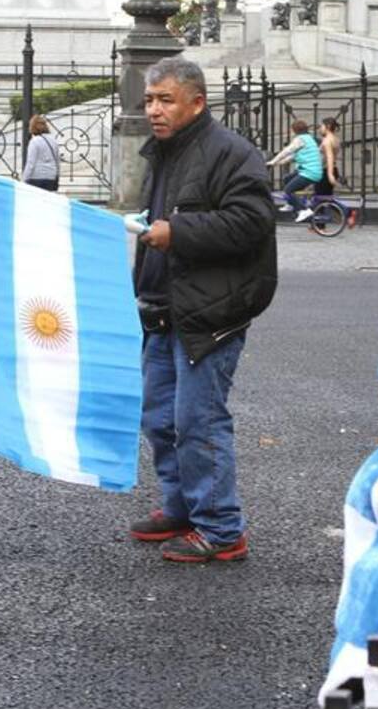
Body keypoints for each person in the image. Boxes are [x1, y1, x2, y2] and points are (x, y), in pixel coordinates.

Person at [128, 57, 277, 564]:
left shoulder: (232, 153)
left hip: (210, 314)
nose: (153, 109)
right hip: (163, 310)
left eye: (165, 99)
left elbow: (251, 223)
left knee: (198, 421)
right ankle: (182, 508)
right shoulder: (165, 152)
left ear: (197, 102)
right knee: (159, 419)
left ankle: (220, 528)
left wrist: (178, 233)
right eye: (149, 99)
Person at [266, 119, 325, 222]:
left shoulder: (300, 139)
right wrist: (277, 163)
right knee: (286, 179)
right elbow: (293, 157)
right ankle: (290, 204)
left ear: (294, 130)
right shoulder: (309, 138)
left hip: (309, 173)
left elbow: (287, 151)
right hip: (309, 171)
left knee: (288, 190)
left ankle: (304, 210)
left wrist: (273, 161)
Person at [21, 114, 59, 191]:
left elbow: (31, 163)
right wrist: (57, 176)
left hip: (36, 177)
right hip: (50, 177)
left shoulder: (34, 141)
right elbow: (57, 161)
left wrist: (24, 179)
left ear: (33, 127)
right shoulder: (53, 141)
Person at [318, 117, 341, 195]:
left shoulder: (327, 140)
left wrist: (330, 174)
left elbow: (329, 157)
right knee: (327, 197)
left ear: (327, 126)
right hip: (333, 169)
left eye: (322, 126)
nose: (320, 129)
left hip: (326, 171)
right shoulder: (335, 139)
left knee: (321, 199)